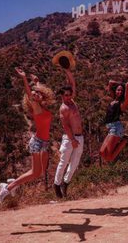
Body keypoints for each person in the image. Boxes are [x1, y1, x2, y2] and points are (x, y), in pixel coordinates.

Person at [0, 67, 55, 204]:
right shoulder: (36, 106)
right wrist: (24, 78)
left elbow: (38, 92)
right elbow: (30, 94)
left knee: (39, 173)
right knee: (35, 173)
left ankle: (13, 183)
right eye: (34, 95)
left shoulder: (43, 105)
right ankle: (7, 187)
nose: (35, 95)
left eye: (38, 94)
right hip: (37, 142)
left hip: (44, 143)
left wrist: (37, 82)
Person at [54, 69, 84, 198]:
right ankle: (56, 184)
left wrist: (67, 70)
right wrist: (72, 139)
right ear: (62, 95)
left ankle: (65, 183)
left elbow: (73, 83)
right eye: (65, 95)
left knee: (75, 163)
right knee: (64, 162)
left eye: (69, 94)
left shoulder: (73, 102)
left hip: (80, 137)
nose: (68, 96)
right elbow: (65, 125)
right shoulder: (63, 108)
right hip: (69, 138)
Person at [100, 80, 128, 162]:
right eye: (118, 90)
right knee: (102, 152)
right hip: (110, 128)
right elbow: (110, 82)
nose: (119, 92)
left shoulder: (122, 103)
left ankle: (125, 141)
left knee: (109, 157)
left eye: (121, 90)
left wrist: (124, 86)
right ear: (115, 91)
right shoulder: (113, 100)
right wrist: (120, 84)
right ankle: (125, 140)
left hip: (116, 128)